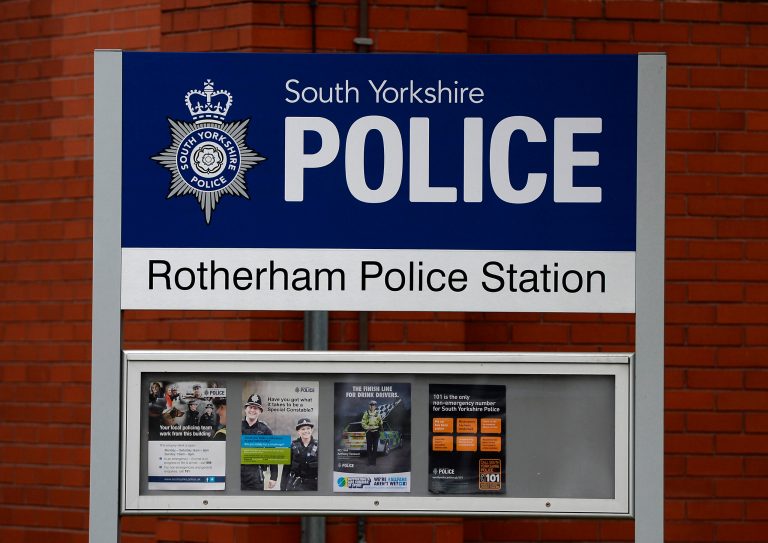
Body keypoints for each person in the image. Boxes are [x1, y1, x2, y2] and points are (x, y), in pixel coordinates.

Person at [241, 393, 278, 489]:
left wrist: (274, 476)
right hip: (236, 472)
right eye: (250, 407)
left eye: (256, 408)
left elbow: (272, 453)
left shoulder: (265, 430)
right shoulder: (235, 426)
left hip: (256, 474)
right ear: (245, 409)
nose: (252, 410)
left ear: (260, 411)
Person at [281, 418, 318, 491]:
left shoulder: (319, 446)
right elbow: (286, 469)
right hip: (295, 485)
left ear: (311, 430)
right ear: (298, 431)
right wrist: (282, 488)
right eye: (303, 429)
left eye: (308, 428)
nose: (306, 431)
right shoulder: (292, 446)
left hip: (314, 486)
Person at [361, 399, 383, 465]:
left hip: (376, 432)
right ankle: (369, 462)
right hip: (369, 432)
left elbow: (380, 421)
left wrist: (381, 426)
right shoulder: (366, 413)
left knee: (375, 447)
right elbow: (363, 422)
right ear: (369, 406)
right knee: (369, 447)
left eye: (373, 405)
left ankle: (373, 462)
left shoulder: (377, 413)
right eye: (371, 405)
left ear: (375, 406)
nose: (372, 406)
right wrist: (368, 427)